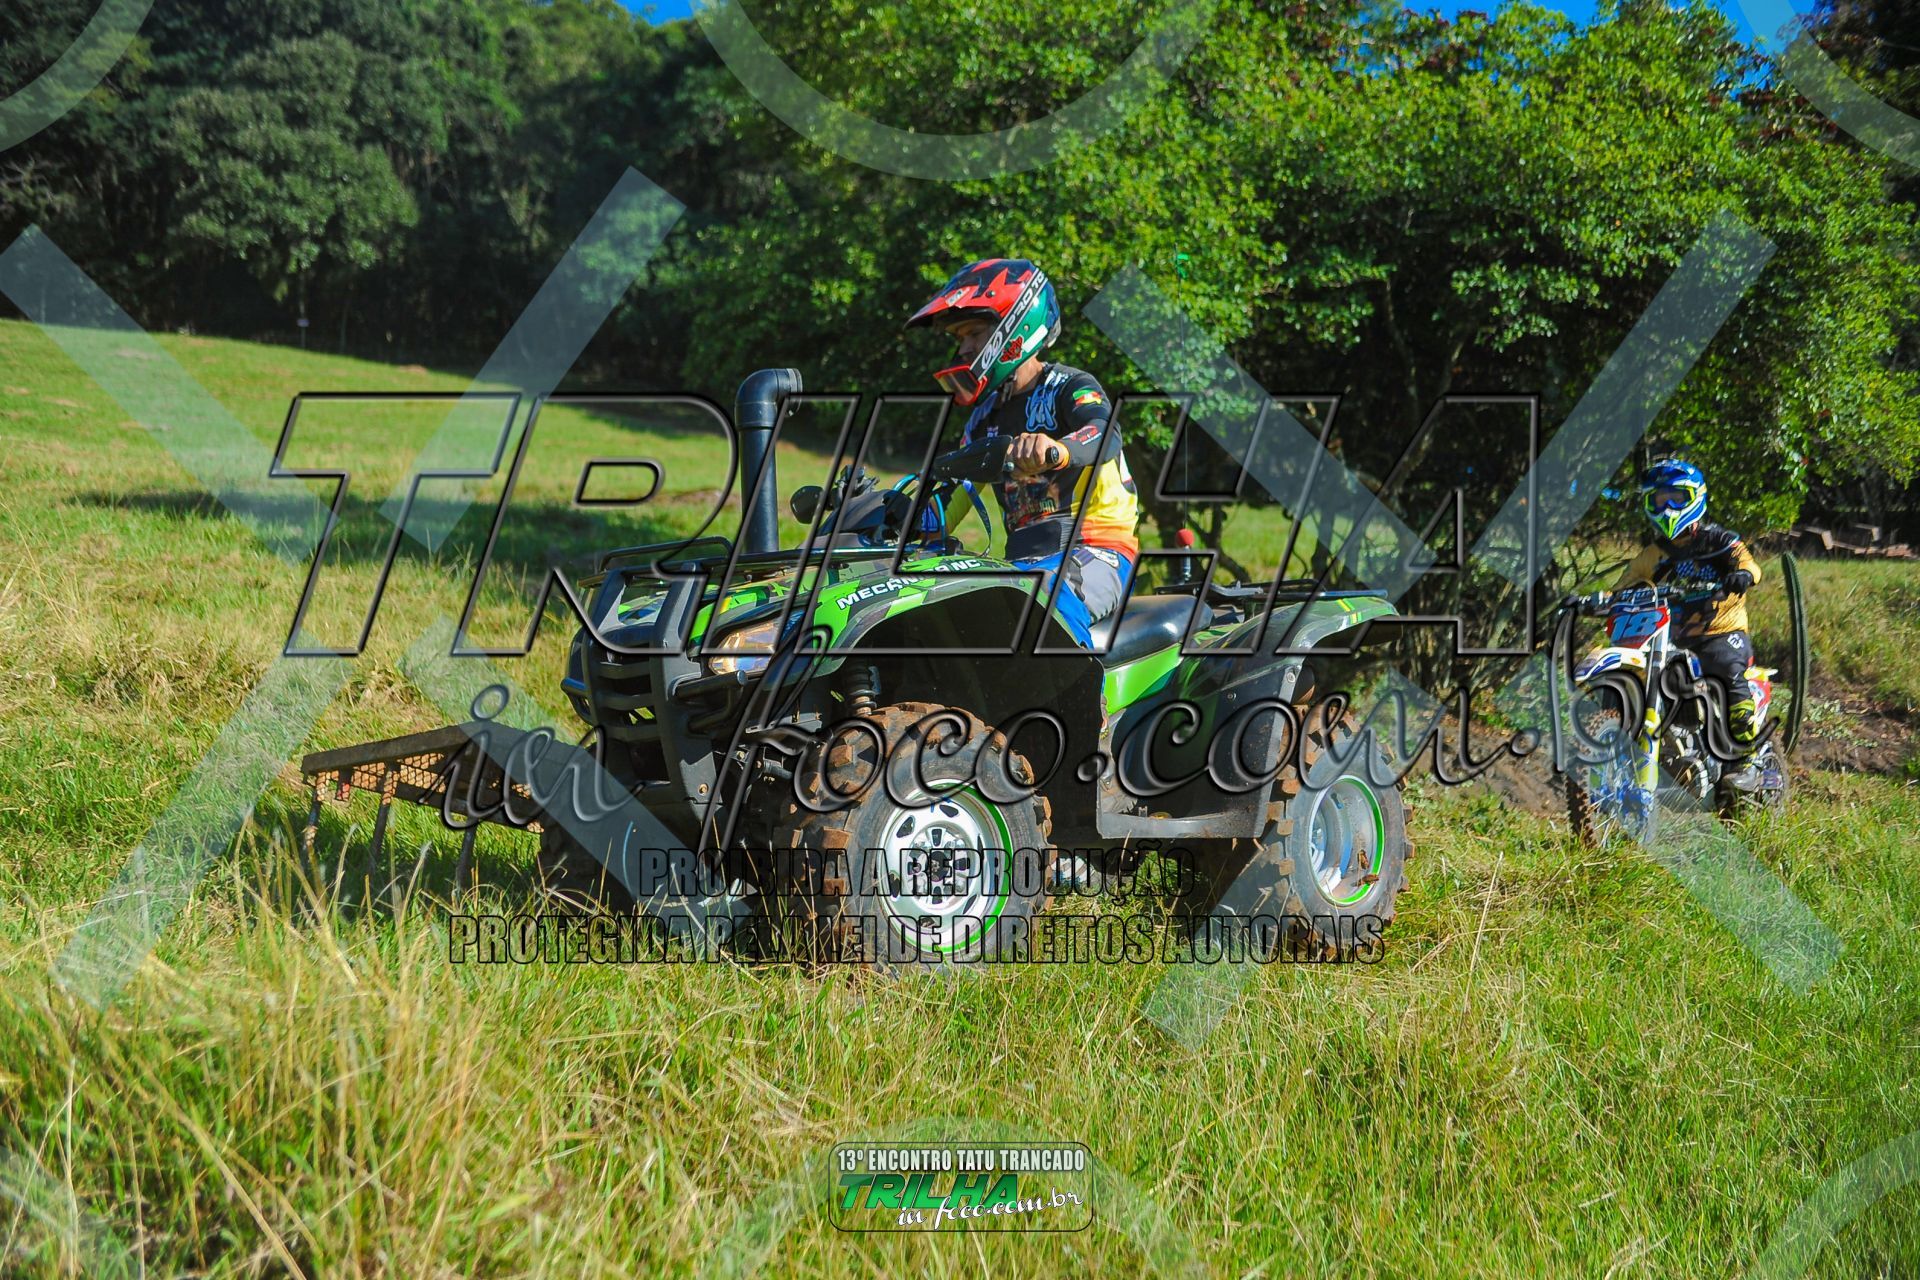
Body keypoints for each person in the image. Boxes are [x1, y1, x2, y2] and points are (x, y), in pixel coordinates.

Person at [905, 257, 1141, 643]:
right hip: (1022, 560)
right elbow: (954, 496)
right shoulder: (982, 418)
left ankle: (1073, 683)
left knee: (1042, 601)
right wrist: (893, 515)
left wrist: (1057, 450)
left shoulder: (1069, 386)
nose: (964, 349)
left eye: (973, 334)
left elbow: (1105, 433)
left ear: (1016, 327)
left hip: (1097, 549)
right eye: (959, 339)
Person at [1613, 458, 1766, 789]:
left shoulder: (1719, 540)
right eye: (1659, 499)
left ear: (1696, 497)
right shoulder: (1655, 553)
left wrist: (1742, 575)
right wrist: (1602, 600)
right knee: (1637, 676)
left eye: (1676, 498)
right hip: (1670, 636)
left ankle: (1748, 759)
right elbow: (1627, 583)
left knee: (1725, 668)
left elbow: (1749, 564)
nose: (1667, 508)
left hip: (1721, 631)